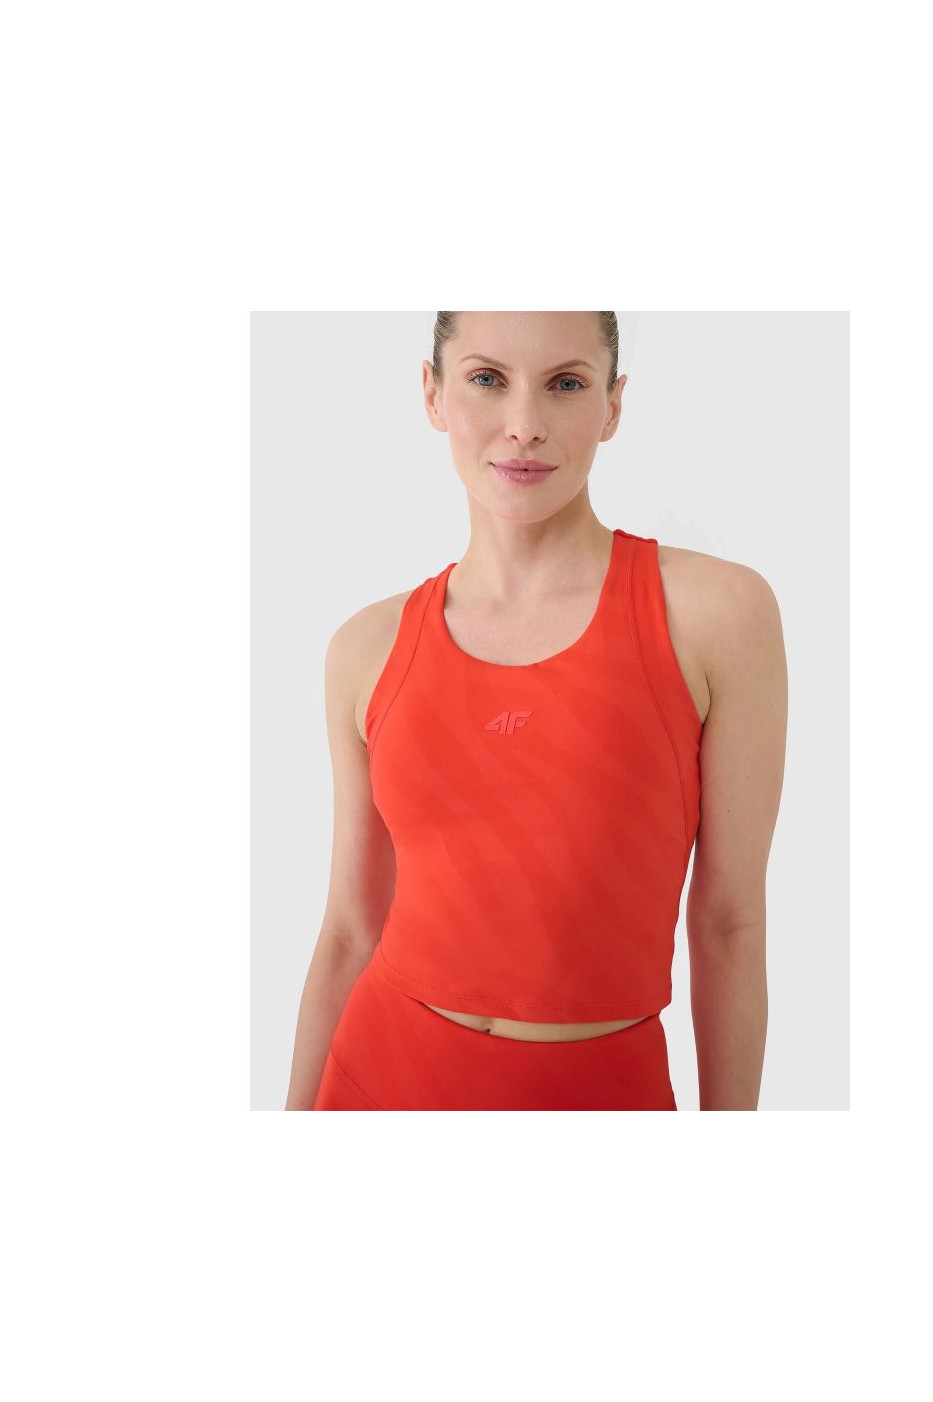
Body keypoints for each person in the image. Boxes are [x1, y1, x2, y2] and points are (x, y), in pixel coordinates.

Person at [285, 311, 787, 1110]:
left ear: (613, 406)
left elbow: (730, 922)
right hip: (378, 1082)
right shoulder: (366, 648)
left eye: (565, 384)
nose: (524, 425)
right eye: (487, 379)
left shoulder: (715, 616)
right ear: (433, 394)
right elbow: (351, 927)